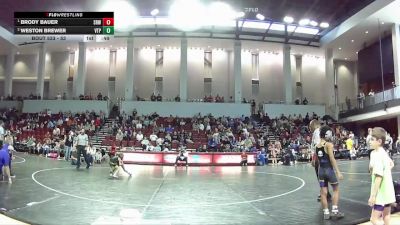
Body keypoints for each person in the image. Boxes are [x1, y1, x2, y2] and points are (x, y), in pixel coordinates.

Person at [368, 127, 396, 225]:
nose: (369, 141)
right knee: (386, 216)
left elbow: (379, 177)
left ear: (379, 141)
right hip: (388, 191)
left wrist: (373, 196)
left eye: (372, 139)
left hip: (380, 193)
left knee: (373, 219)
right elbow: (391, 164)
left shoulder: (376, 155)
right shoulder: (383, 152)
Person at [315, 125, 344, 220]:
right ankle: (335, 211)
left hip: (321, 171)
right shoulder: (329, 145)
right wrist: (338, 172)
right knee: (336, 189)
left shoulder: (317, 146)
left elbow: (315, 161)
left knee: (323, 192)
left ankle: (326, 213)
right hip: (329, 171)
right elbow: (332, 159)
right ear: (327, 134)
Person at [310, 119, 331, 201]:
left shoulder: (317, 132)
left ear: (314, 125)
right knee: (323, 176)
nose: (309, 128)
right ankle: (326, 193)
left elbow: (317, 146)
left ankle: (324, 193)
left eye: (310, 126)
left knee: (320, 176)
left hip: (320, 157)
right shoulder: (320, 131)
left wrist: (314, 158)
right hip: (323, 157)